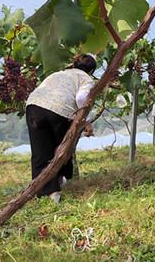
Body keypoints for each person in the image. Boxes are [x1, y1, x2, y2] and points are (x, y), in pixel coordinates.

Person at [25, 54, 96, 202]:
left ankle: (45, 192)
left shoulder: (59, 74)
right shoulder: (86, 79)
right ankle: (58, 185)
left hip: (33, 107)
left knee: (40, 152)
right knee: (62, 149)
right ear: (91, 71)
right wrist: (87, 122)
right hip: (59, 111)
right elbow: (81, 98)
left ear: (74, 65)